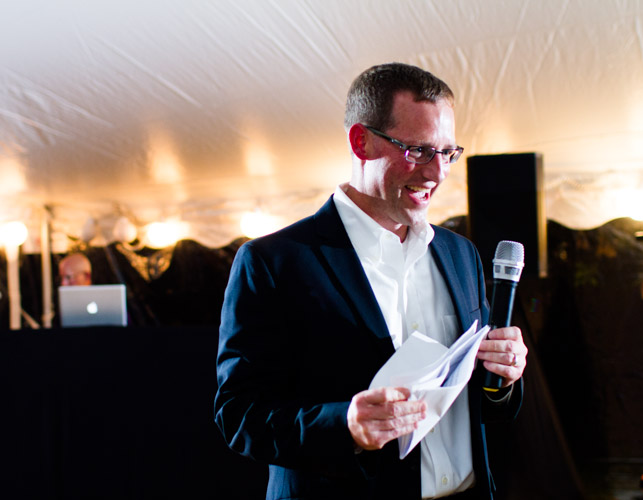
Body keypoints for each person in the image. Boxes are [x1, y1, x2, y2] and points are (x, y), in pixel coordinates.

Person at [214, 63, 528, 500]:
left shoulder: (461, 254)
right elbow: (239, 416)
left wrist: (503, 379)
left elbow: (479, 406)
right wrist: (345, 425)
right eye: (418, 150)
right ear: (361, 142)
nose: (437, 173)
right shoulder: (273, 262)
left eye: (448, 153)